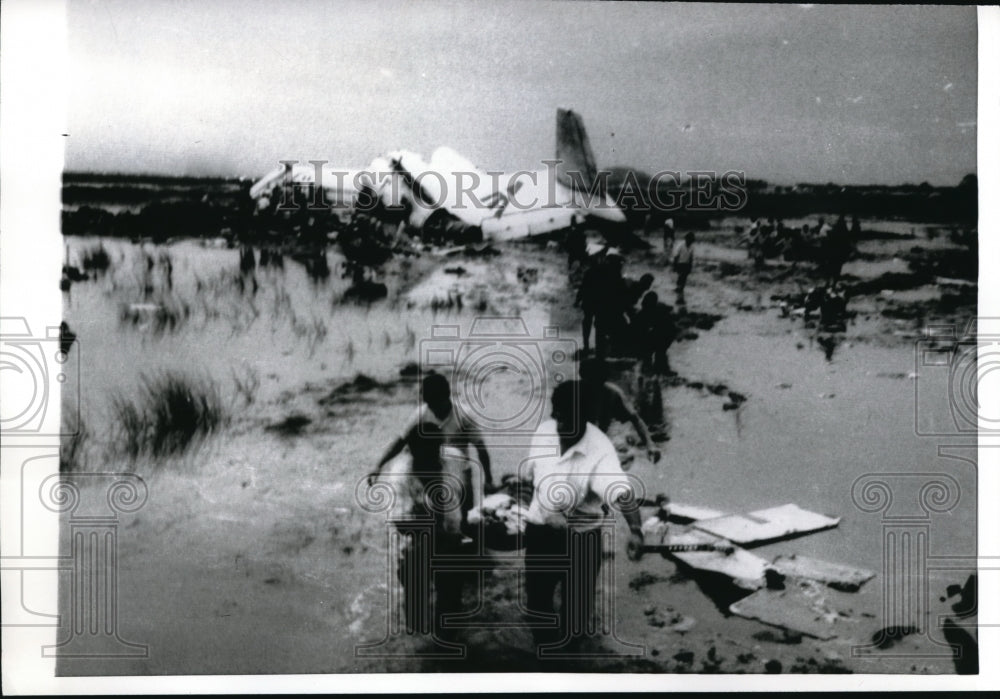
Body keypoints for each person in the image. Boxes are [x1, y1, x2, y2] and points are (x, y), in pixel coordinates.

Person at [520, 381, 643, 650]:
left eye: (569, 418)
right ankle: (544, 662)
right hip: (541, 531)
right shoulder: (544, 432)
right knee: (537, 603)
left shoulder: (600, 450)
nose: (561, 425)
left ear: (585, 418)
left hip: (581, 538)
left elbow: (622, 493)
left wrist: (635, 530)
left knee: (575, 616)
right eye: (558, 416)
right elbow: (529, 479)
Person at [371, 373, 493, 530]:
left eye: (435, 404)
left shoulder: (464, 415)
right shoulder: (421, 414)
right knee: (432, 509)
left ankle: (464, 537)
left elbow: (481, 449)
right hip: (430, 466)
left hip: (458, 466)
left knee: (466, 515)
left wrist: (488, 480)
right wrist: (378, 466)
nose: (432, 408)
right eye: (429, 404)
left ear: (446, 397)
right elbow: (401, 441)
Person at [391, 422, 468, 640]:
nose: (431, 460)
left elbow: (465, 489)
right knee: (416, 608)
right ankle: (418, 647)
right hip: (415, 542)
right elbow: (401, 524)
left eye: (434, 453)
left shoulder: (454, 458)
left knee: (451, 597)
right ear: (411, 452)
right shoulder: (400, 476)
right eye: (424, 456)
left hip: (449, 534)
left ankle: (446, 644)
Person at [579, 358, 660, 462]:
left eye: (598, 382)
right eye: (589, 382)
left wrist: (650, 444)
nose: (594, 387)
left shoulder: (611, 393)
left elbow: (635, 419)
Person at [633, 292, 677, 376]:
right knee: (659, 351)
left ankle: (656, 368)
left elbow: (639, 329)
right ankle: (658, 367)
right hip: (665, 334)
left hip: (665, 334)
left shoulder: (648, 312)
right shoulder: (654, 310)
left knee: (655, 351)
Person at [672, 232, 695, 302]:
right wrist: (675, 265)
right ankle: (678, 288)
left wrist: (691, 266)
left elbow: (691, 257)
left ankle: (681, 289)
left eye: (692, 240)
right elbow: (676, 256)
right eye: (690, 240)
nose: (690, 241)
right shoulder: (681, 245)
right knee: (681, 275)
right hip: (680, 263)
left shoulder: (692, 247)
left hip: (687, 264)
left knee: (685, 276)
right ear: (686, 239)